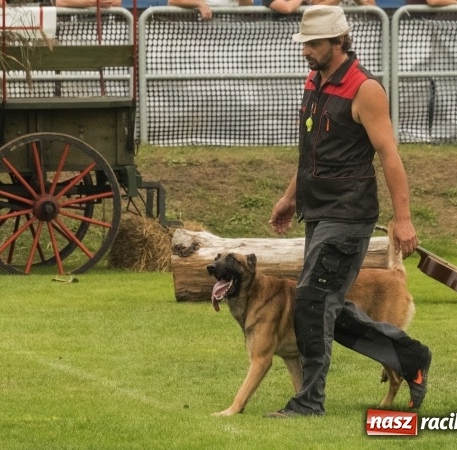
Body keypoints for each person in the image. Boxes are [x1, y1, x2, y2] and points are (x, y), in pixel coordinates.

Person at [266, 5, 432, 418]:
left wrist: (403, 218)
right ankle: (410, 358)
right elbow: (312, 153)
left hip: (349, 215)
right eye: (304, 43)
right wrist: (291, 196)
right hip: (319, 212)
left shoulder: (365, 89)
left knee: (312, 299)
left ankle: (309, 402)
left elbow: (389, 155)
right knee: (327, 306)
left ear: (339, 41)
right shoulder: (315, 81)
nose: (306, 50)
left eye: (315, 43)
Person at [167, 0, 252, 21]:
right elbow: (173, 1)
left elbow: (247, 5)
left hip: (232, 30)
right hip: (201, 32)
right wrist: (200, 4)